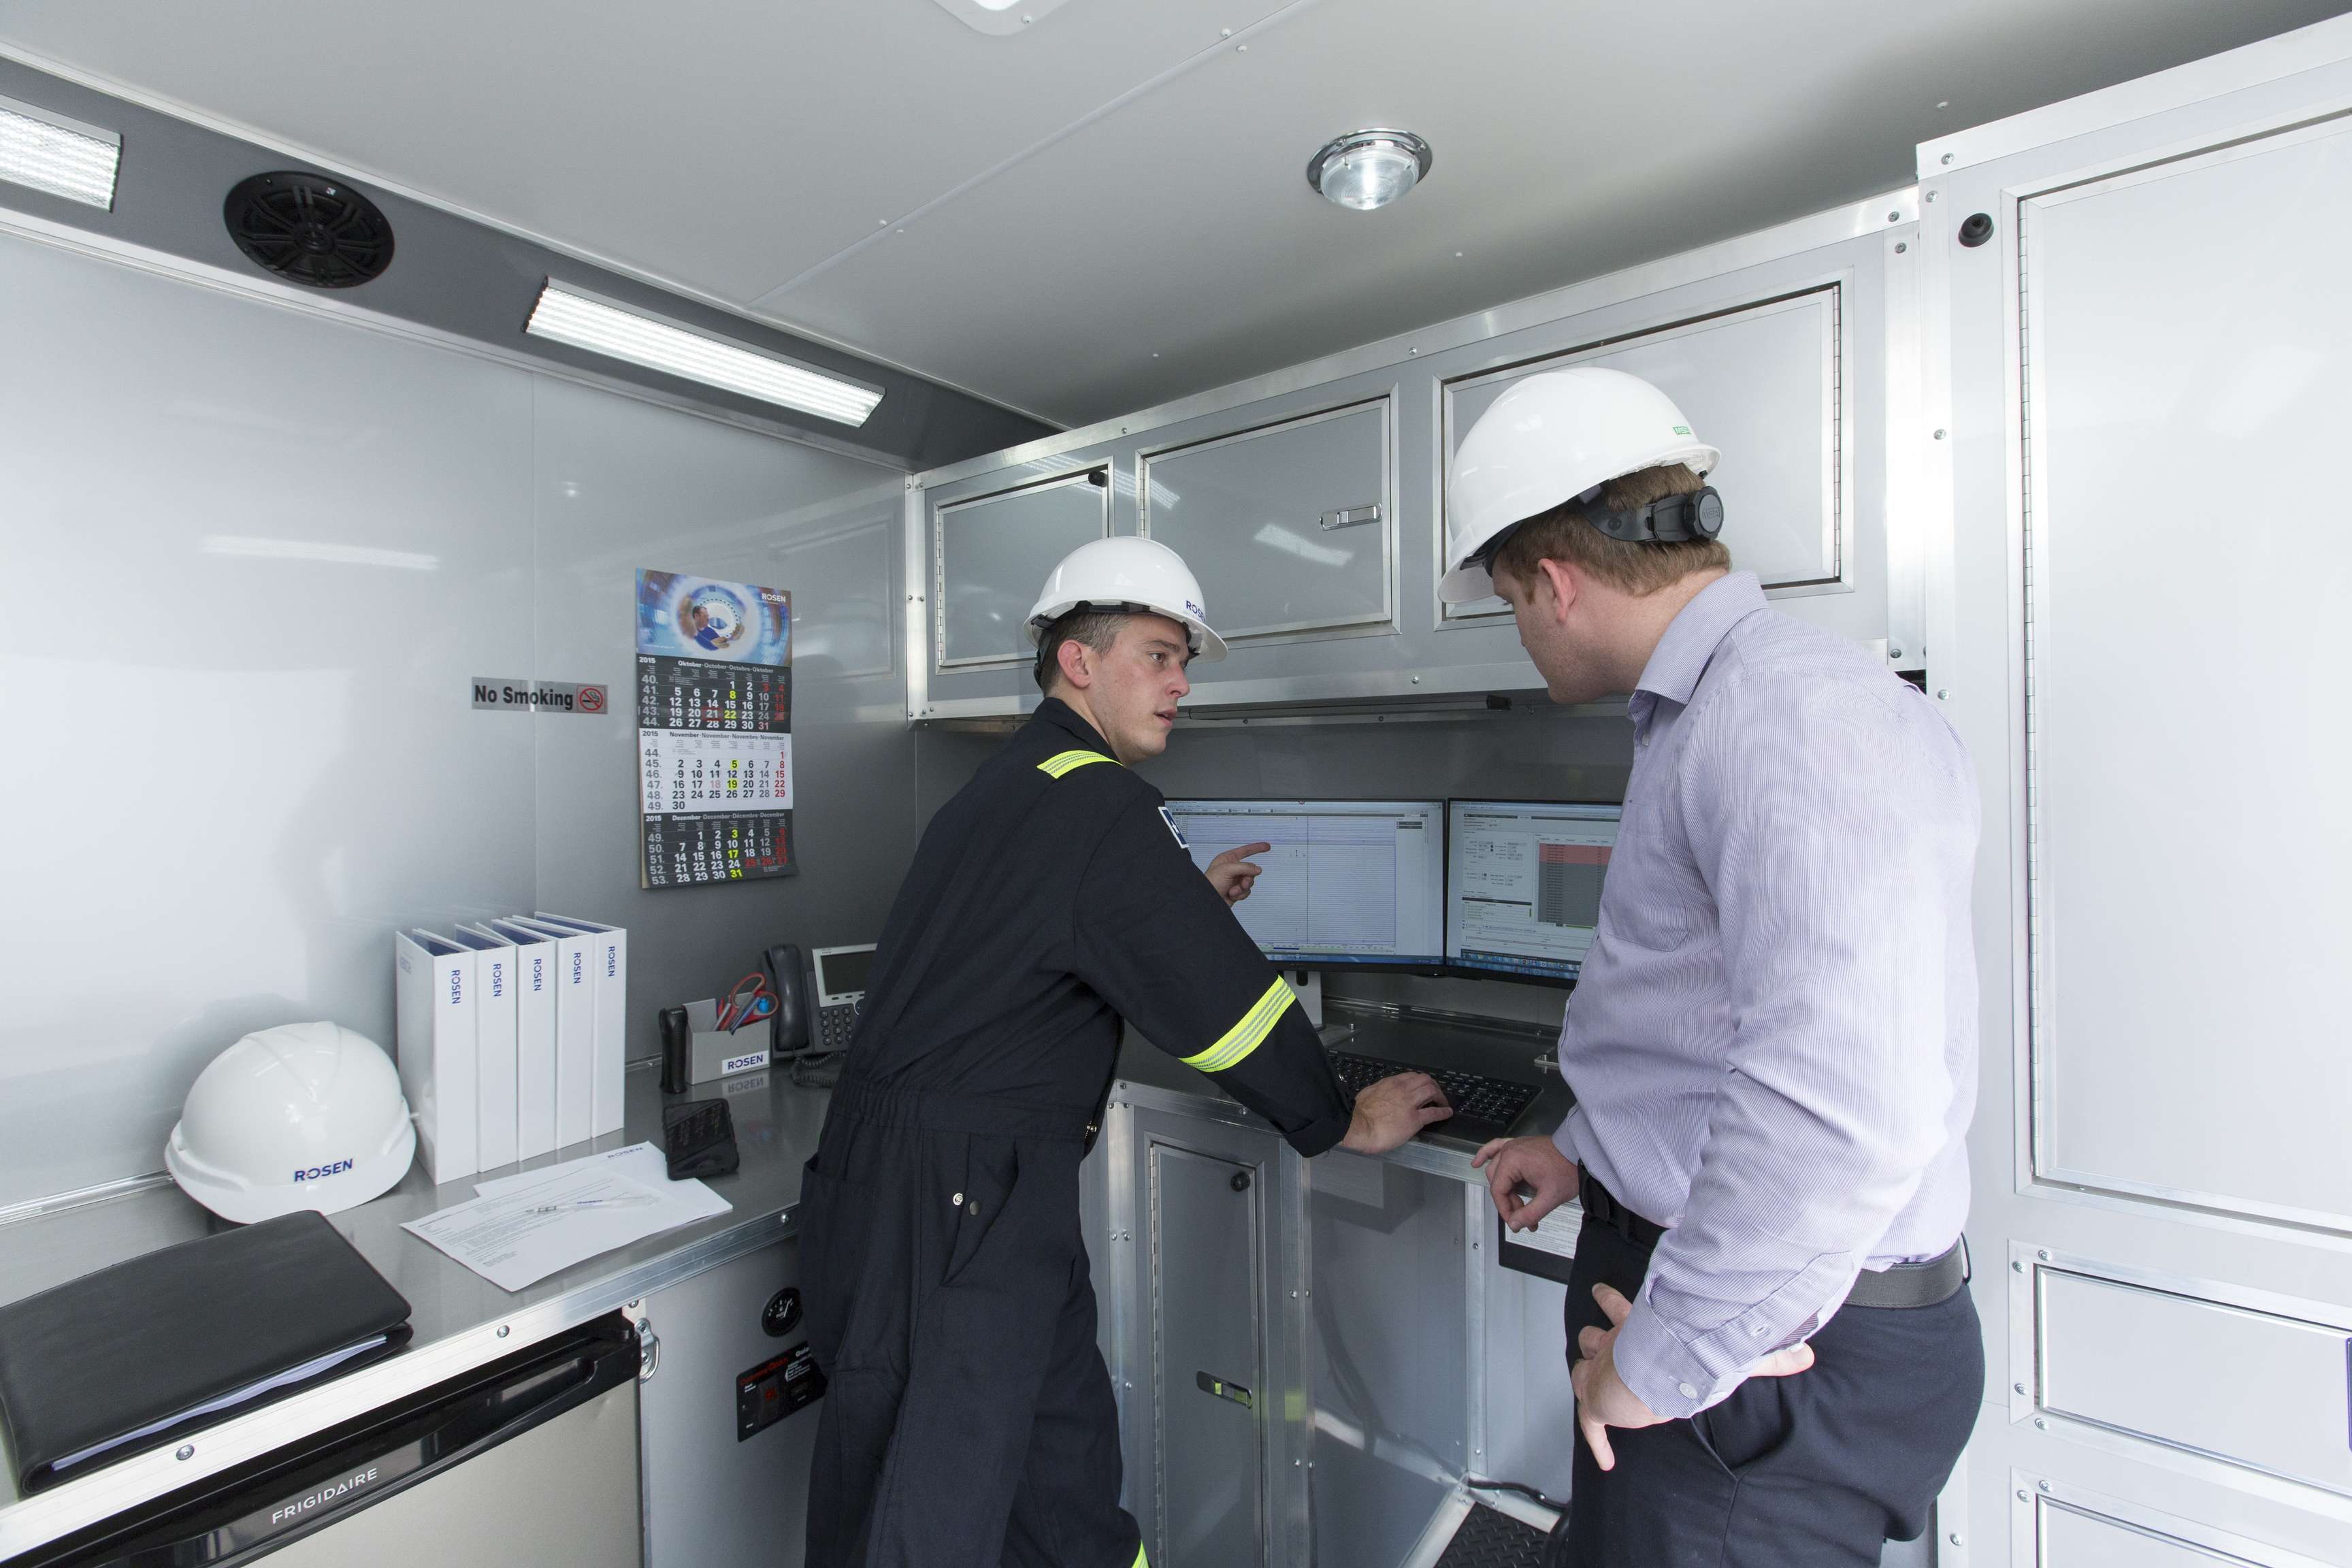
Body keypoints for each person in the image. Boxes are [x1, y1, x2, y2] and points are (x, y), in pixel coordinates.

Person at [798, 536, 1452, 1568]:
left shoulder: (1020, 781)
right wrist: (1341, 1118)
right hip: (954, 1204)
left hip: (957, 1192)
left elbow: (1038, 934)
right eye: (1159, 654)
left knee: (1057, 1484)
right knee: (928, 1515)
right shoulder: (1097, 802)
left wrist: (1178, 903)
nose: (1182, 684)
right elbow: (1223, 1009)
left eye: (1181, 660)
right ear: (1079, 661)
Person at [1452, 368, 1982, 1566]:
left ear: (1554, 583)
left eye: (1506, 605)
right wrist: (1587, 1153)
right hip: (1724, 1313)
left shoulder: (1793, 714)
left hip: (1757, 1357)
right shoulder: (1713, 715)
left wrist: (1662, 1364)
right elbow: (1710, 1017)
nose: (1521, 633)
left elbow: (1842, 1105)